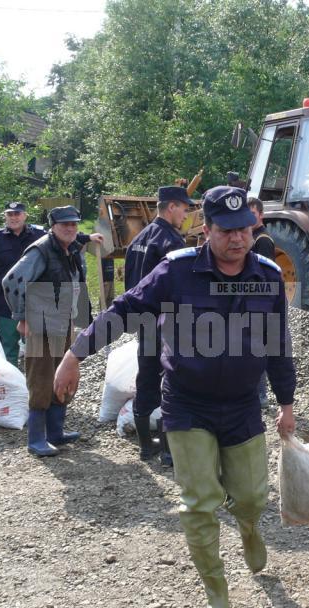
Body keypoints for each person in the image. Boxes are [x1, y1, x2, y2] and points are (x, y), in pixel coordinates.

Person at [54, 186, 296, 608]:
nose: (238, 239)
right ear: (207, 230)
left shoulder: (267, 274)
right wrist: (75, 353)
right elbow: (125, 308)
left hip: (243, 406)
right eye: (227, 231)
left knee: (251, 496)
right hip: (187, 403)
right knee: (199, 503)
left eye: (245, 229)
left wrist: (287, 402)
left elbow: (279, 344)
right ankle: (218, 596)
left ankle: (248, 526)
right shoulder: (177, 271)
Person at [2, 205, 102, 457]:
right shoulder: (41, 250)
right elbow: (12, 281)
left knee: (63, 374)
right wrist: (21, 316)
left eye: (74, 224)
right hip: (41, 322)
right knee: (41, 379)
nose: (70, 228)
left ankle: (56, 432)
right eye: (64, 224)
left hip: (63, 321)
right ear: (53, 226)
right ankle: (36, 439)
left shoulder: (70, 249)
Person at [124, 185, 193, 465]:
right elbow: (178, 287)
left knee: (146, 379)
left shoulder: (137, 239)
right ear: (171, 206)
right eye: (184, 209)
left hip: (143, 321)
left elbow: (129, 284)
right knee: (171, 383)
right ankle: (168, 451)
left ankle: (145, 446)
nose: (186, 216)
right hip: (166, 323)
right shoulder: (171, 243)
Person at [0, 202, 46, 366]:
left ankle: (35, 386)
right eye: (10, 214)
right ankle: (13, 388)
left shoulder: (40, 235)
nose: (14, 217)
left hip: (35, 299)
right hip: (6, 301)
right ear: (5, 217)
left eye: (17, 214)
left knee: (36, 347)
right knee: (8, 346)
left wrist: (87, 237)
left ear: (25, 215)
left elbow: (61, 240)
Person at [248, 197, 276, 409]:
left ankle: (261, 396)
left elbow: (263, 275)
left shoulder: (262, 240)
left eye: (253, 214)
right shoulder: (252, 236)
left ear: (261, 215)